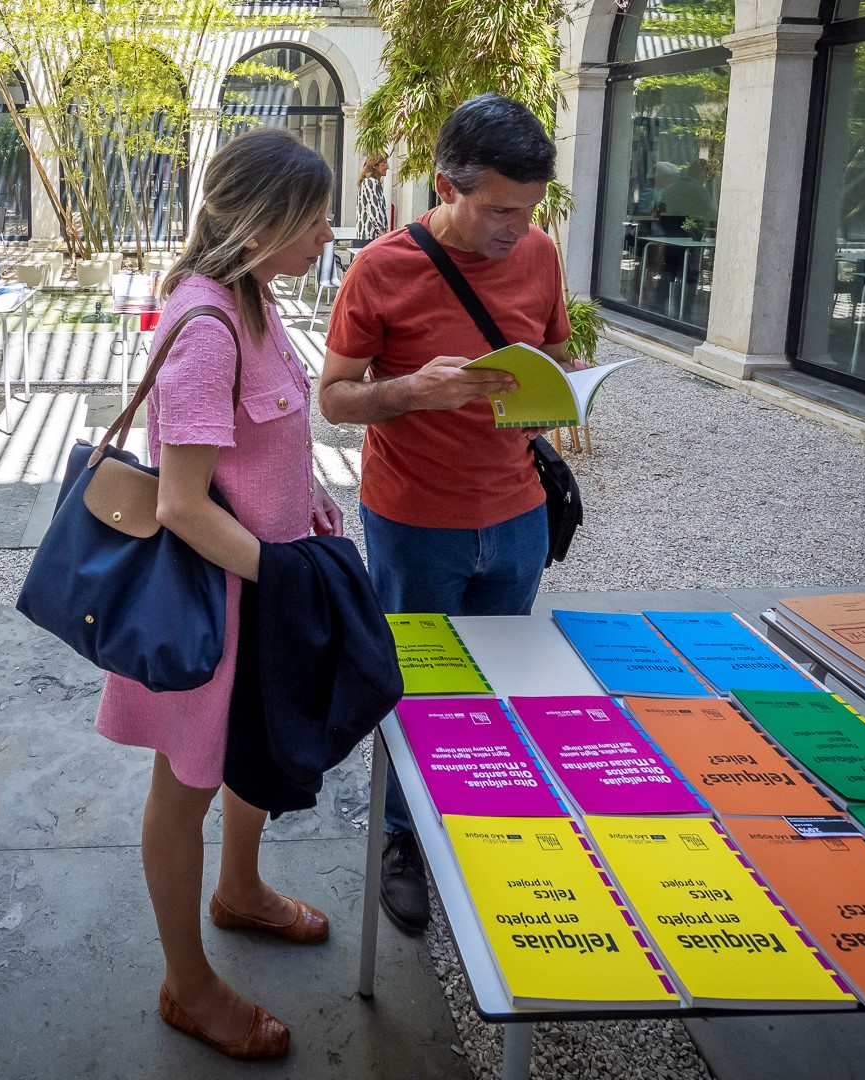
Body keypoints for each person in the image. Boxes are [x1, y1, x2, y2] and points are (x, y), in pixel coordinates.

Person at [93, 126, 342, 1061]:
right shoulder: (203, 324)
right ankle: (187, 985)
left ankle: (239, 891)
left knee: (251, 753)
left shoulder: (258, 301)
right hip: (217, 605)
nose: (327, 234)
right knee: (186, 784)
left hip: (264, 589)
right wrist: (283, 573)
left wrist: (311, 507)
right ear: (264, 217)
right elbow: (183, 504)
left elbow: (267, 450)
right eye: (313, 218)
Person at [319, 93, 574, 935]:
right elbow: (334, 400)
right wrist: (409, 391)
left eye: (529, 209)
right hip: (413, 518)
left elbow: (559, 351)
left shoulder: (540, 253)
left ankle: (475, 820)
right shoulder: (381, 269)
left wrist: (558, 396)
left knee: (496, 685)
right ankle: (402, 839)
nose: (517, 228)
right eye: (500, 209)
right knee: (413, 687)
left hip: (518, 513)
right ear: (444, 186)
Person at [356, 153, 390, 243]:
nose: (387, 167)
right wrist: (382, 231)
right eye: (384, 164)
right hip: (370, 236)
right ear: (375, 165)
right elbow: (374, 208)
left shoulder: (372, 182)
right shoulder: (371, 182)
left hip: (368, 236)